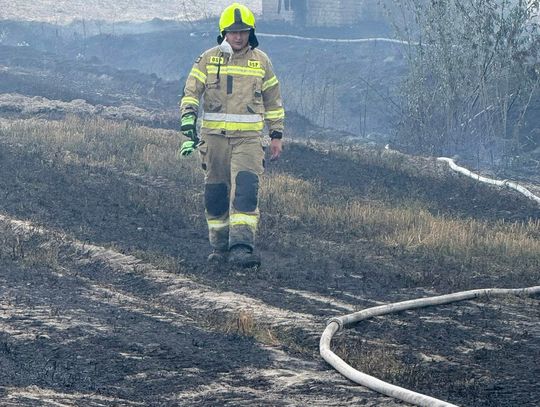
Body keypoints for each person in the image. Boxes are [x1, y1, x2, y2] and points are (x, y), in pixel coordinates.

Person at [179, 3, 285, 268]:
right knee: (216, 193)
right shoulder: (207, 59)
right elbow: (191, 92)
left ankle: (241, 247)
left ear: (251, 33)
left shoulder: (262, 62)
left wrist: (276, 134)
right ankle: (219, 247)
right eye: (233, 32)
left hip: (248, 140)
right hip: (213, 139)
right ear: (223, 32)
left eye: (243, 32)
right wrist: (188, 120)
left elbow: (273, 101)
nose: (238, 37)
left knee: (245, 191)